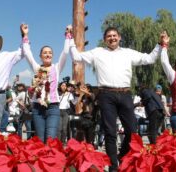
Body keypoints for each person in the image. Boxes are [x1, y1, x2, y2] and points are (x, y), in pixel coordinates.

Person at [69, 26, 169, 171]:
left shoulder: (128, 53)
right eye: (109, 36)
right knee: (110, 132)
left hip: (125, 94)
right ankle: (113, 167)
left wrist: (160, 44)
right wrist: (70, 38)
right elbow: (77, 57)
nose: (112, 38)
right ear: (104, 39)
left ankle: (122, 158)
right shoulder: (98, 52)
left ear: (119, 37)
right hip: (106, 95)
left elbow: (149, 58)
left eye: (114, 35)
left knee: (132, 131)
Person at [21, 24, 71, 142]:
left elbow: (65, 52)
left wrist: (68, 35)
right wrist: (25, 35)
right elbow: (27, 53)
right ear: (40, 56)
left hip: (53, 107)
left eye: (50, 53)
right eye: (45, 53)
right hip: (37, 108)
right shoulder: (37, 68)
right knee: (40, 139)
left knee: (50, 138)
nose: (48, 54)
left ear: (52, 56)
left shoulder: (57, 68)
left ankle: (51, 159)